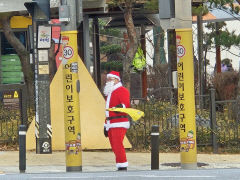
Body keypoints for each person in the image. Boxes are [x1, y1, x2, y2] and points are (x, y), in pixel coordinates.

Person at [103, 71, 130, 171]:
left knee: (118, 144)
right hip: (111, 123)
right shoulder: (110, 93)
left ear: (117, 79)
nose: (108, 81)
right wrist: (105, 125)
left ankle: (122, 165)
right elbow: (108, 112)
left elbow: (125, 105)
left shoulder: (122, 90)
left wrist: (119, 107)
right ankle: (120, 164)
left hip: (119, 122)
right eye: (108, 79)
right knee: (114, 145)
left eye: (111, 79)